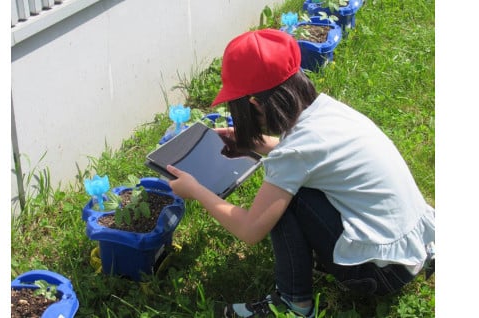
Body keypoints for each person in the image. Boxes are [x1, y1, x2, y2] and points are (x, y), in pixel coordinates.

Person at [165, 28, 435, 318]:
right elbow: (309, 153)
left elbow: (250, 230)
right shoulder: (327, 111)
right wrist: (254, 143)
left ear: (254, 104)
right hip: (412, 248)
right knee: (294, 188)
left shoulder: (296, 155)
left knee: (286, 201)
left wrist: (195, 190)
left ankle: (293, 304)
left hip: (380, 273)